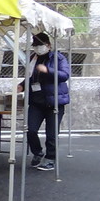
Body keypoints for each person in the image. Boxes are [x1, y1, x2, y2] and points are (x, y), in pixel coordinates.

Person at [20, 31, 70, 171]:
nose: (37, 48)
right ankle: (37, 152)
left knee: (52, 133)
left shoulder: (58, 58)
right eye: (35, 45)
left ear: (48, 45)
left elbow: (64, 75)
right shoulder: (32, 58)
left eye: (40, 45)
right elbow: (30, 76)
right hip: (36, 101)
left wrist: (48, 70)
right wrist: (22, 85)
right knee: (30, 129)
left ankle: (50, 158)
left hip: (54, 101)